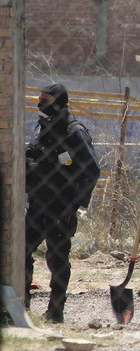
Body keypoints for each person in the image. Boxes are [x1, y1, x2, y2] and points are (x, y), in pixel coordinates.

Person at [25, 83, 100, 323]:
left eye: (45, 100)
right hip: (37, 204)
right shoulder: (42, 127)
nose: (40, 104)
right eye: (39, 99)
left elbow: (92, 171)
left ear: (58, 103)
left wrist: (74, 204)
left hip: (61, 208)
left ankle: (55, 311)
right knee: (21, 250)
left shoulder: (74, 132)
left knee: (57, 259)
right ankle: (22, 306)